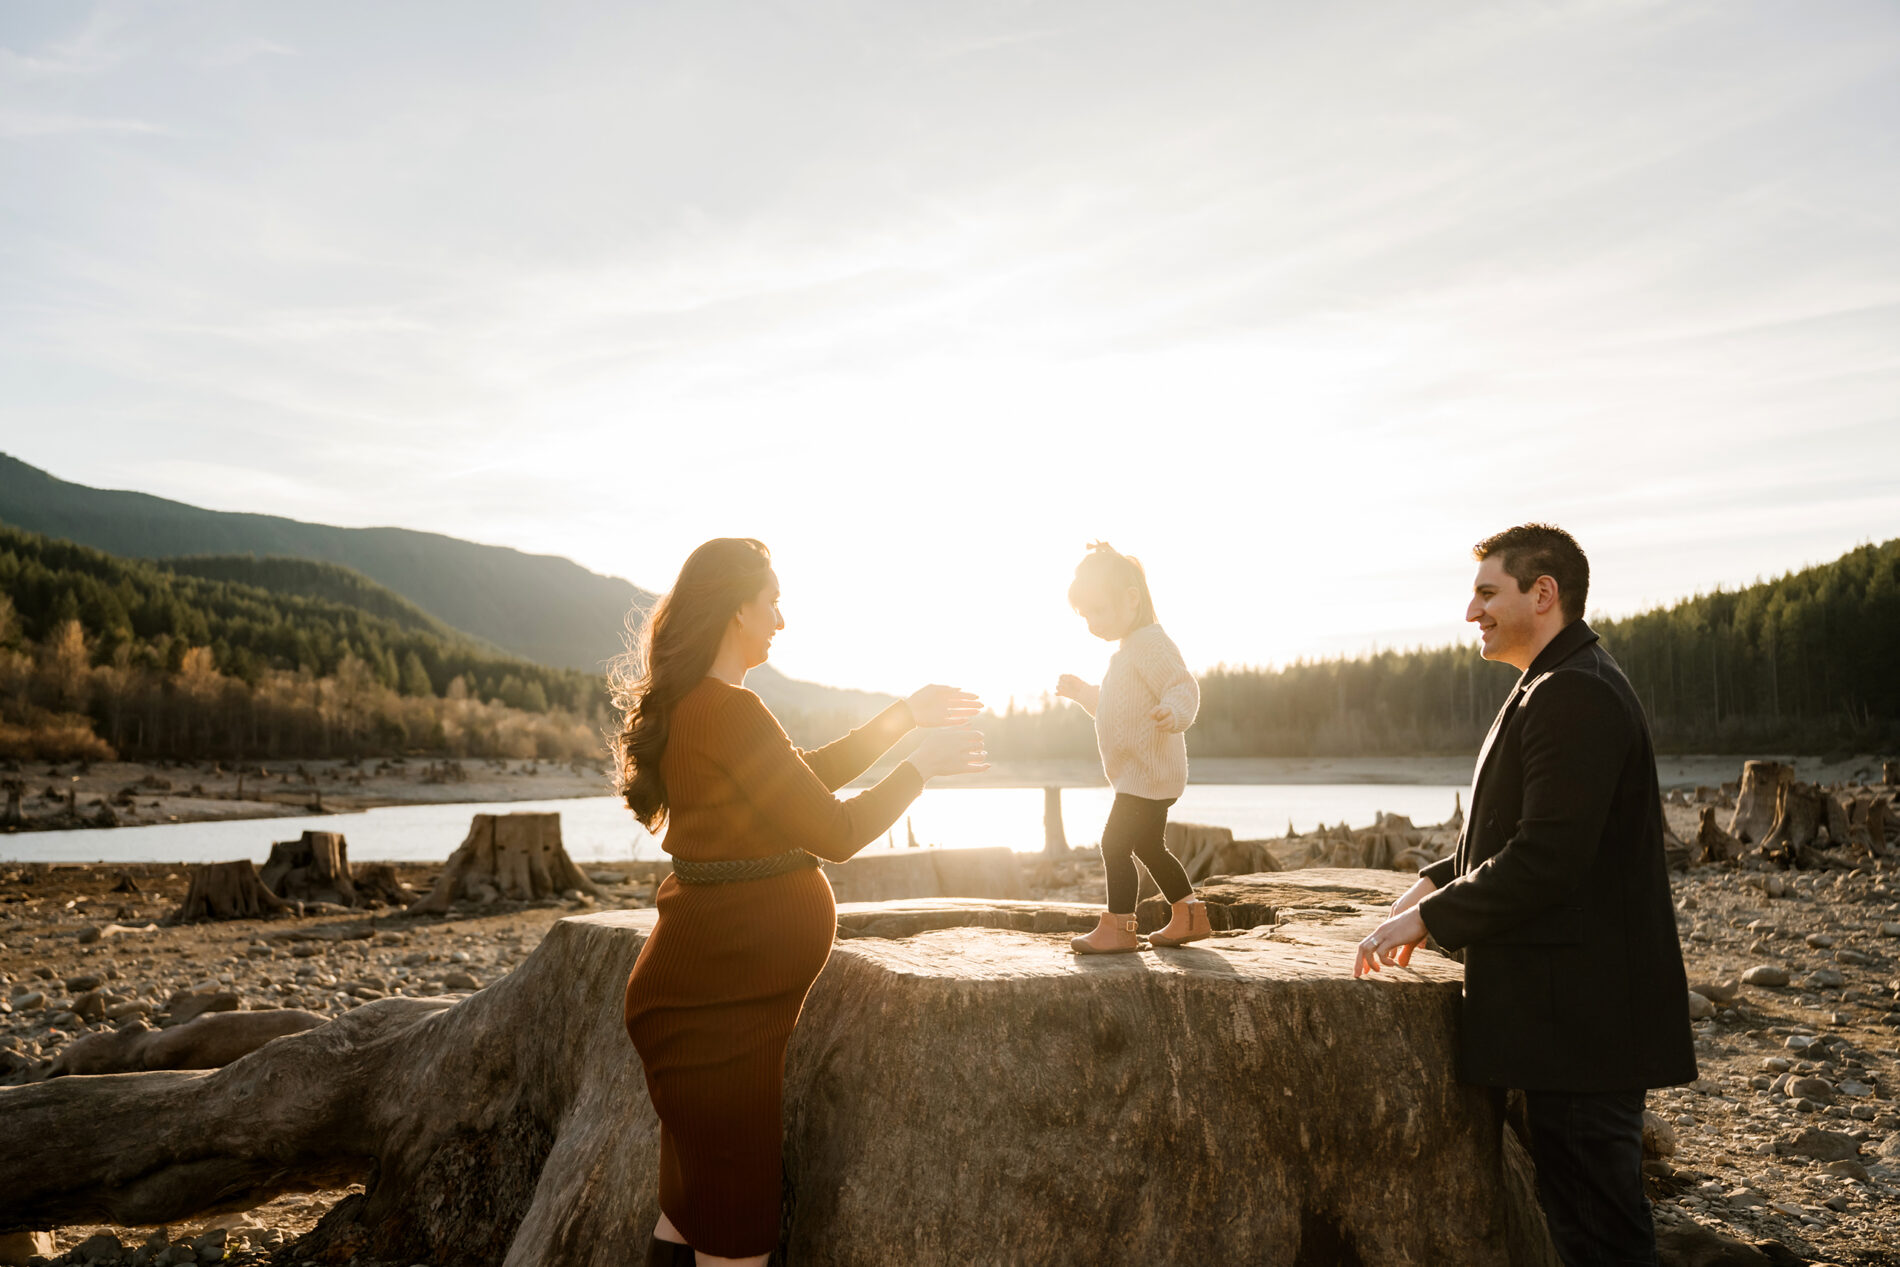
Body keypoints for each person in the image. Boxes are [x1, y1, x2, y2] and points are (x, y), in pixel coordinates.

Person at [613, 538, 988, 1267]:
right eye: (773, 600)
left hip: (709, 1006)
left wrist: (903, 715)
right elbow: (836, 829)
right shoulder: (728, 709)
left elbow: (799, 777)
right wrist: (920, 767)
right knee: (736, 1238)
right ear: (736, 609)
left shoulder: (708, 707)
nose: (781, 619)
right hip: (711, 1020)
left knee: (690, 1217)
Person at [1354, 523, 1696, 1266]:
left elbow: (1549, 858)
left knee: (1600, 1232)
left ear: (1543, 594)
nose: (1471, 612)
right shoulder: (1556, 680)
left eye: (1486, 592)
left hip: (1584, 1025)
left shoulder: (1573, 690)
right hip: (1570, 1021)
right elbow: (1536, 828)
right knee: (1580, 1222)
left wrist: (1430, 917)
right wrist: (1441, 874)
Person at [1056, 541, 1213, 953]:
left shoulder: (1151, 644)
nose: (1092, 623)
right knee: (1147, 846)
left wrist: (1174, 712)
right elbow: (1115, 711)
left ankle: (1119, 927)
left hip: (1146, 774)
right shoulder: (1128, 652)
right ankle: (1190, 915)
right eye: (1086, 616)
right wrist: (1084, 695)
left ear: (1131, 599)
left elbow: (1182, 685)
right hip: (1143, 774)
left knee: (1114, 844)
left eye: (1098, 611)